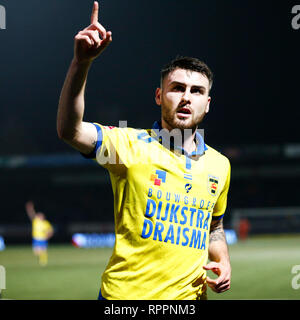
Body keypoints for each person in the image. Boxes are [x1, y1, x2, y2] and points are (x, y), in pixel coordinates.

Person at [57, 1, 231, 300]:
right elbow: (70, 130)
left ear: (208, 103)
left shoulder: (220, 165)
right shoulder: (128, 145)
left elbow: (214, 225)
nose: (186, 97)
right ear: (159, 95)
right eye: (177, 88)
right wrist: (81, 63)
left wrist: (223, 259)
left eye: (197, 91)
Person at [25, 201, 54, 266]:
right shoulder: (36, 221)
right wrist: (30, 208)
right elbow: (31, 214)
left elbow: (51, 231)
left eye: (40, 216)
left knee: (43, 251)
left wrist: (48, 236)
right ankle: (42, 258)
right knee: (36, 252)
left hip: (43, 239)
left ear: (43, 217)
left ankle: (43, 262)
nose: (38, 216)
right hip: (36, 239)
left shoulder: (46, 223)